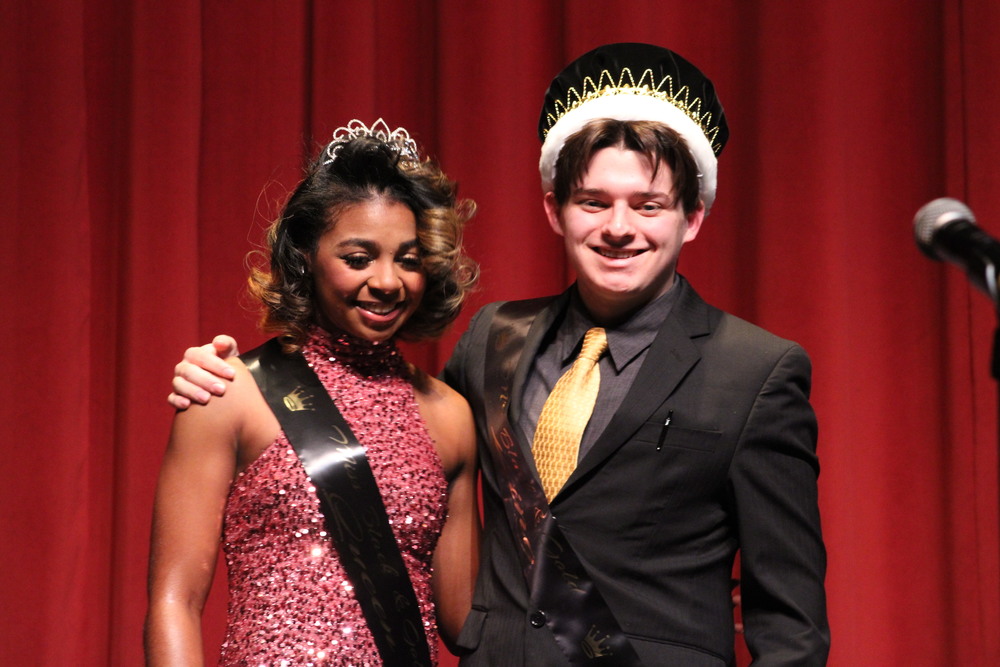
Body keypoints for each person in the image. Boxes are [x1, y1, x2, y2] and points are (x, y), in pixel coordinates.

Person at [168, 44, 829, 666]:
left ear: (692, 216)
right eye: (593, 202)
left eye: (648, 205)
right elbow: (375, 428)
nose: (619, 227)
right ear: (554, 209)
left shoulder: (757, 371)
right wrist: (229, 371)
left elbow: (791, 625)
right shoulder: (493, 341)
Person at [145, 119, 480, 666]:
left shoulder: (450, 416)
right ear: (304, 255)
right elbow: (173, 600)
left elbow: (469, 625)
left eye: (409, 259)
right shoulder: (230, 391)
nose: (388, 280)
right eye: (358, 258)